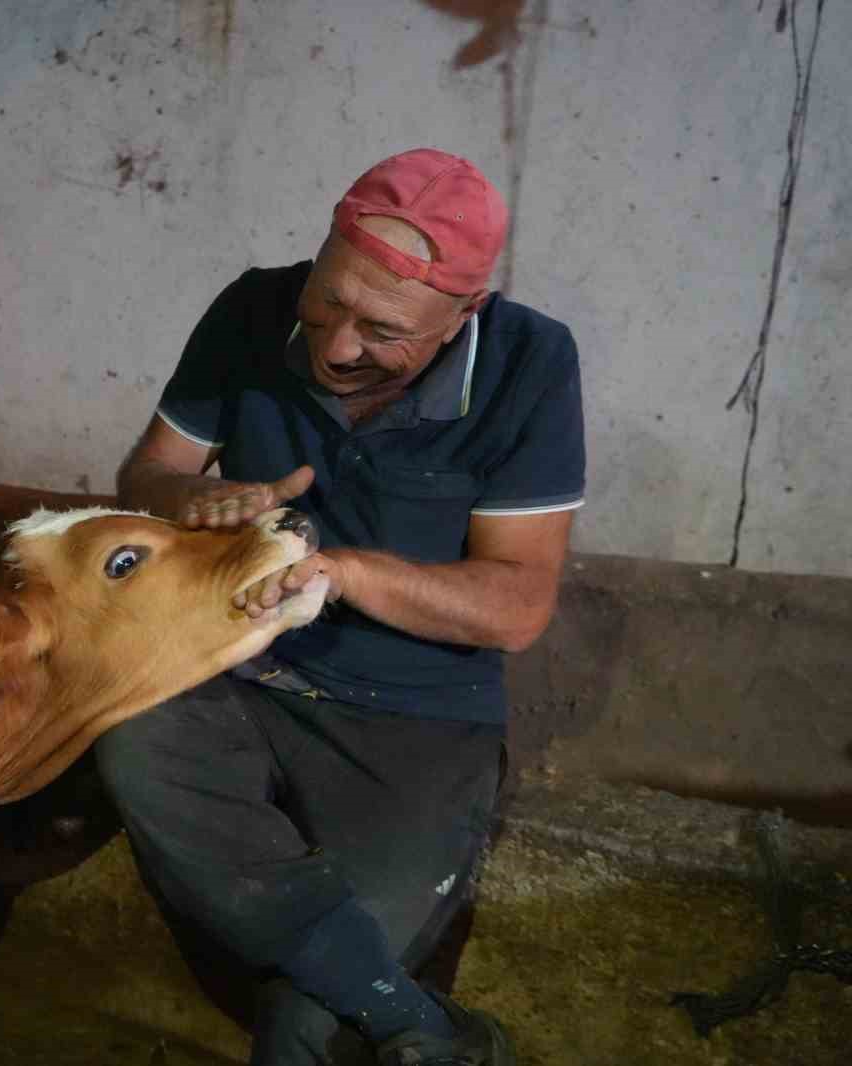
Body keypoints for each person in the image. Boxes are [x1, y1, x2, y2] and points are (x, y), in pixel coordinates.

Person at [96, 148, 585, 1065]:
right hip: (232, 675)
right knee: (126, 732)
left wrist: (346, 572)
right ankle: (419, 1021)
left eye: (382, 328)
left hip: (416, 720)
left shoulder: (531, 363)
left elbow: (518, 604)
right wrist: (188, 501)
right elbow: (146, 474)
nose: (337, 346)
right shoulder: (251, 306)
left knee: (302, 1029)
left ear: (461, 316)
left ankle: (381, 1003)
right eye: (326, 302)